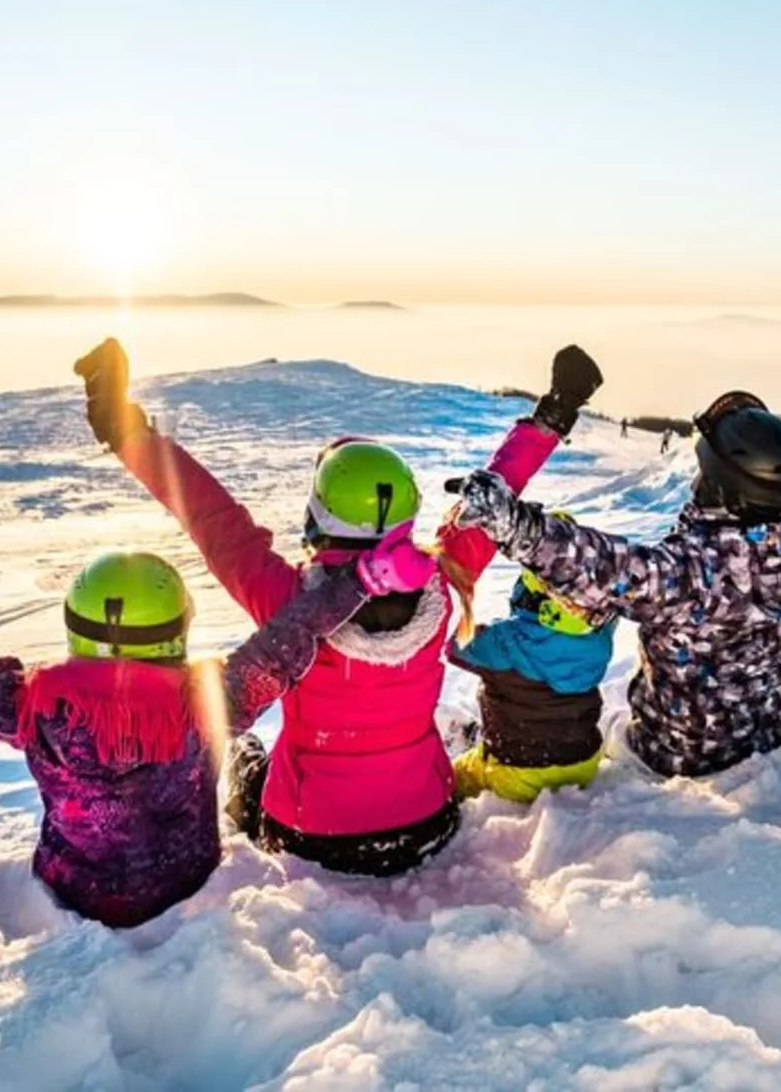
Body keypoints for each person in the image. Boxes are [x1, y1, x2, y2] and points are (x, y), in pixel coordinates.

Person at [75, 338, 603, 875]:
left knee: (246, 760)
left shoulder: (289, 604)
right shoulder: (444, 583)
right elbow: (495, 495)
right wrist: (554, 413)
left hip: (311, 835)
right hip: (426, 821)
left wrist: (126, 432)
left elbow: (212, 518)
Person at [0, 525, 433, 927]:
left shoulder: (31, 707)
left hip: (76, 894)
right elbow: (290, 640)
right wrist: (363, 580)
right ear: (176, 630)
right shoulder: (211, 703)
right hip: (188, 882)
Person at [446, 349, 781, 779]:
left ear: (722, 486)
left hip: (674, 757)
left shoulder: (690, 572)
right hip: (770, 735)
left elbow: (596, 566)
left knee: (603, 740)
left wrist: (511, 523)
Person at [447, 512, 618, 804]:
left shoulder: (506, 641)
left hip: (518, 772)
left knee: (454, 776)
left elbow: (456, 647)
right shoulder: (598, 636)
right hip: (583, 763)